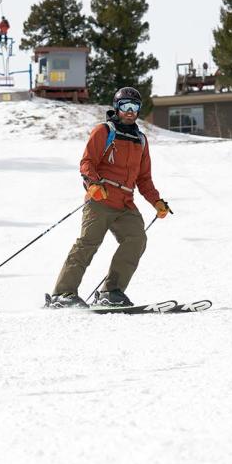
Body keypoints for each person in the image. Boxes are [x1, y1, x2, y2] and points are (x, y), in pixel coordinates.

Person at [45, 86, 172, 308]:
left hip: (125, 203)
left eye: (134, 107)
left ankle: (111, 292)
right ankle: (63, 293)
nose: (130, 111)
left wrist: (157, 202)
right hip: (101, 199)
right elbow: (87, 163)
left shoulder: (141, 140)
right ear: (117, 107)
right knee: (88, 244)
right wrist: (93, 184)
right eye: (125, 106)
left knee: (137, 239)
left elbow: (144, 179)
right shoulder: (104, 131)